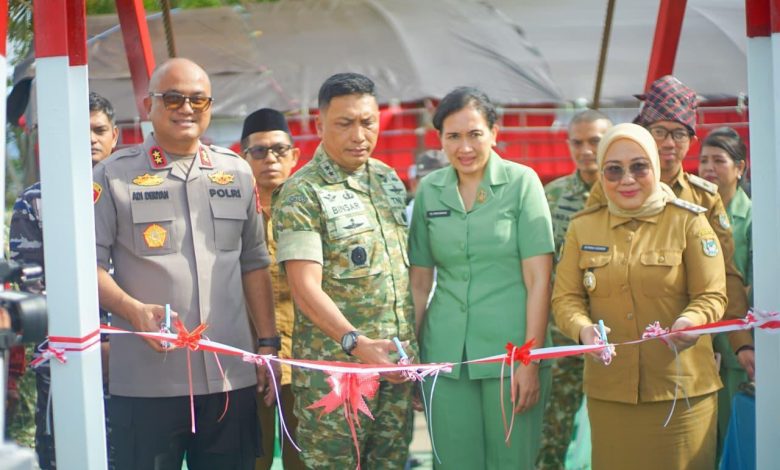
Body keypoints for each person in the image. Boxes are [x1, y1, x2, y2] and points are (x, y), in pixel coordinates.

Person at [93, 58, 277, 470]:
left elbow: (254, 262)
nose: (186, 108)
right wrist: (132, 310)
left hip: (230, 375)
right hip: (148, 381)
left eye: (198, 99)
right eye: (173, 98)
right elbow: (88, 266)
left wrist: (267, 343)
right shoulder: (112, 176)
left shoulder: (237, 173)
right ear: (148, 105)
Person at [553, 122, 727, 469]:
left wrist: (689, 322)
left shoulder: (689, 221)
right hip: (611, 394)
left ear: (654, 165)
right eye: (614, 170)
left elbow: (712, 295)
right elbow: (565, 299)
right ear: (601, 174)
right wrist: (584, 331)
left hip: (681, 392)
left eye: (639, 167)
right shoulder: (583, 226)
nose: (626, 179)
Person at [272, 72, 416, 468]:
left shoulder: (387, 179)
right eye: (345, 123)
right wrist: (356, 343)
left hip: (394, 372)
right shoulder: (302, 192)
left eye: (368, 122)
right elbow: (304, 288)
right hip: (338, 379)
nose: (359, 135)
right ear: (319, 125)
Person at [408, 87, 554, 469]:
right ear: (440, 140)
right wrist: (412, 357)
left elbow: (539, 280)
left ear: (495, 132)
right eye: (453, 136)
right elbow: (420, 283)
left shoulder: (523, 183)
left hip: (511, 354)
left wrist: (530, 361)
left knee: (512, 462)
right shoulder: (429, 192)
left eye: (475, 134)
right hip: (445, 356)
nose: (464, 147)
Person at [586, 76, 754, 380]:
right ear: (644, 134)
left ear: (691, 140)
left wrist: (742, 344)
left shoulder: (703, 197)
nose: (668, 143)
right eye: (659, 131)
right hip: (624, 348)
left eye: (679, 133)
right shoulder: (610, 189)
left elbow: (726, 275)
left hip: (689, 354)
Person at [9, 91, 119, 470]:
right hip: (65, 359)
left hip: (133, 361)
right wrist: (91, 347)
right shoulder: (36, 202)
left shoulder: (136, 193)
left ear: (114, 136)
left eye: (98, 129)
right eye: (79, 130)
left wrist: (118, 347)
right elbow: (34, 289)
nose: (90, 138)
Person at [537, 109, 612, 469]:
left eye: (595, 142)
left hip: (616, 332)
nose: (585, 150)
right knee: (555, 428)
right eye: (577, 142)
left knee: (615, 427)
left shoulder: (627, 193)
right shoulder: (552, 197)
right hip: (563, 334)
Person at [239, 108, 304, 470]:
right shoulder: (232, 215)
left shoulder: (309, 209)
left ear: (295, 156)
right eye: (259, 151)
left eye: (280, 150)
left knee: (304, 459)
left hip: (304, 358)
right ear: (244, 157)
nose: (270, 159)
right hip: (249, 361)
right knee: (253, 458)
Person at [698, 126, 753, 458]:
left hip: (738, 346)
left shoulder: (755, 218)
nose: (708, 168)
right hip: (702, 343)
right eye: (703, 160)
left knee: (735, 435)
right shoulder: (694, 213)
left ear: (740, 168)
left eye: (718, 160)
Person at [405, 149, 449, 221]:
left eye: (440, 180)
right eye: (427, 181)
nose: (434, 186)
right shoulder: (403, 218)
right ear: (414, 184)